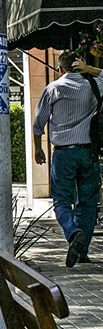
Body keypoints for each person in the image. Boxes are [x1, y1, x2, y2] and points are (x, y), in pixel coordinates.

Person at [33, 51, 103, 267]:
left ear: (60, 68)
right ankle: (81, 251)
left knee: (62, 200)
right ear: (80, 64)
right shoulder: (94, 85)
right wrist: (90, 70)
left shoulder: (53, 88)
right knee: (88, 201)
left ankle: (73, 234)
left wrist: (38, 149)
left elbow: (38, 123)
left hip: (63, 153)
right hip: (88, 152)